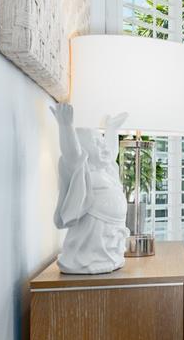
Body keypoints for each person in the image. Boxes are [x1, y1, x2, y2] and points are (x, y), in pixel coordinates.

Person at [49, 102, 129, 274]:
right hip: (93, 229)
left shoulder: (107, 170)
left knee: (107, 245)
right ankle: (87, 259)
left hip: (112, 232)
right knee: (91, 248)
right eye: (97, 143)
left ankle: (108, 257)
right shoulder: (84, 171)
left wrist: (112, 130)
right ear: (84, 149)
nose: (104, 146)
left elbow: (110, 152)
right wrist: (65, 126)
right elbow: (72, 154)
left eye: (102, 142)